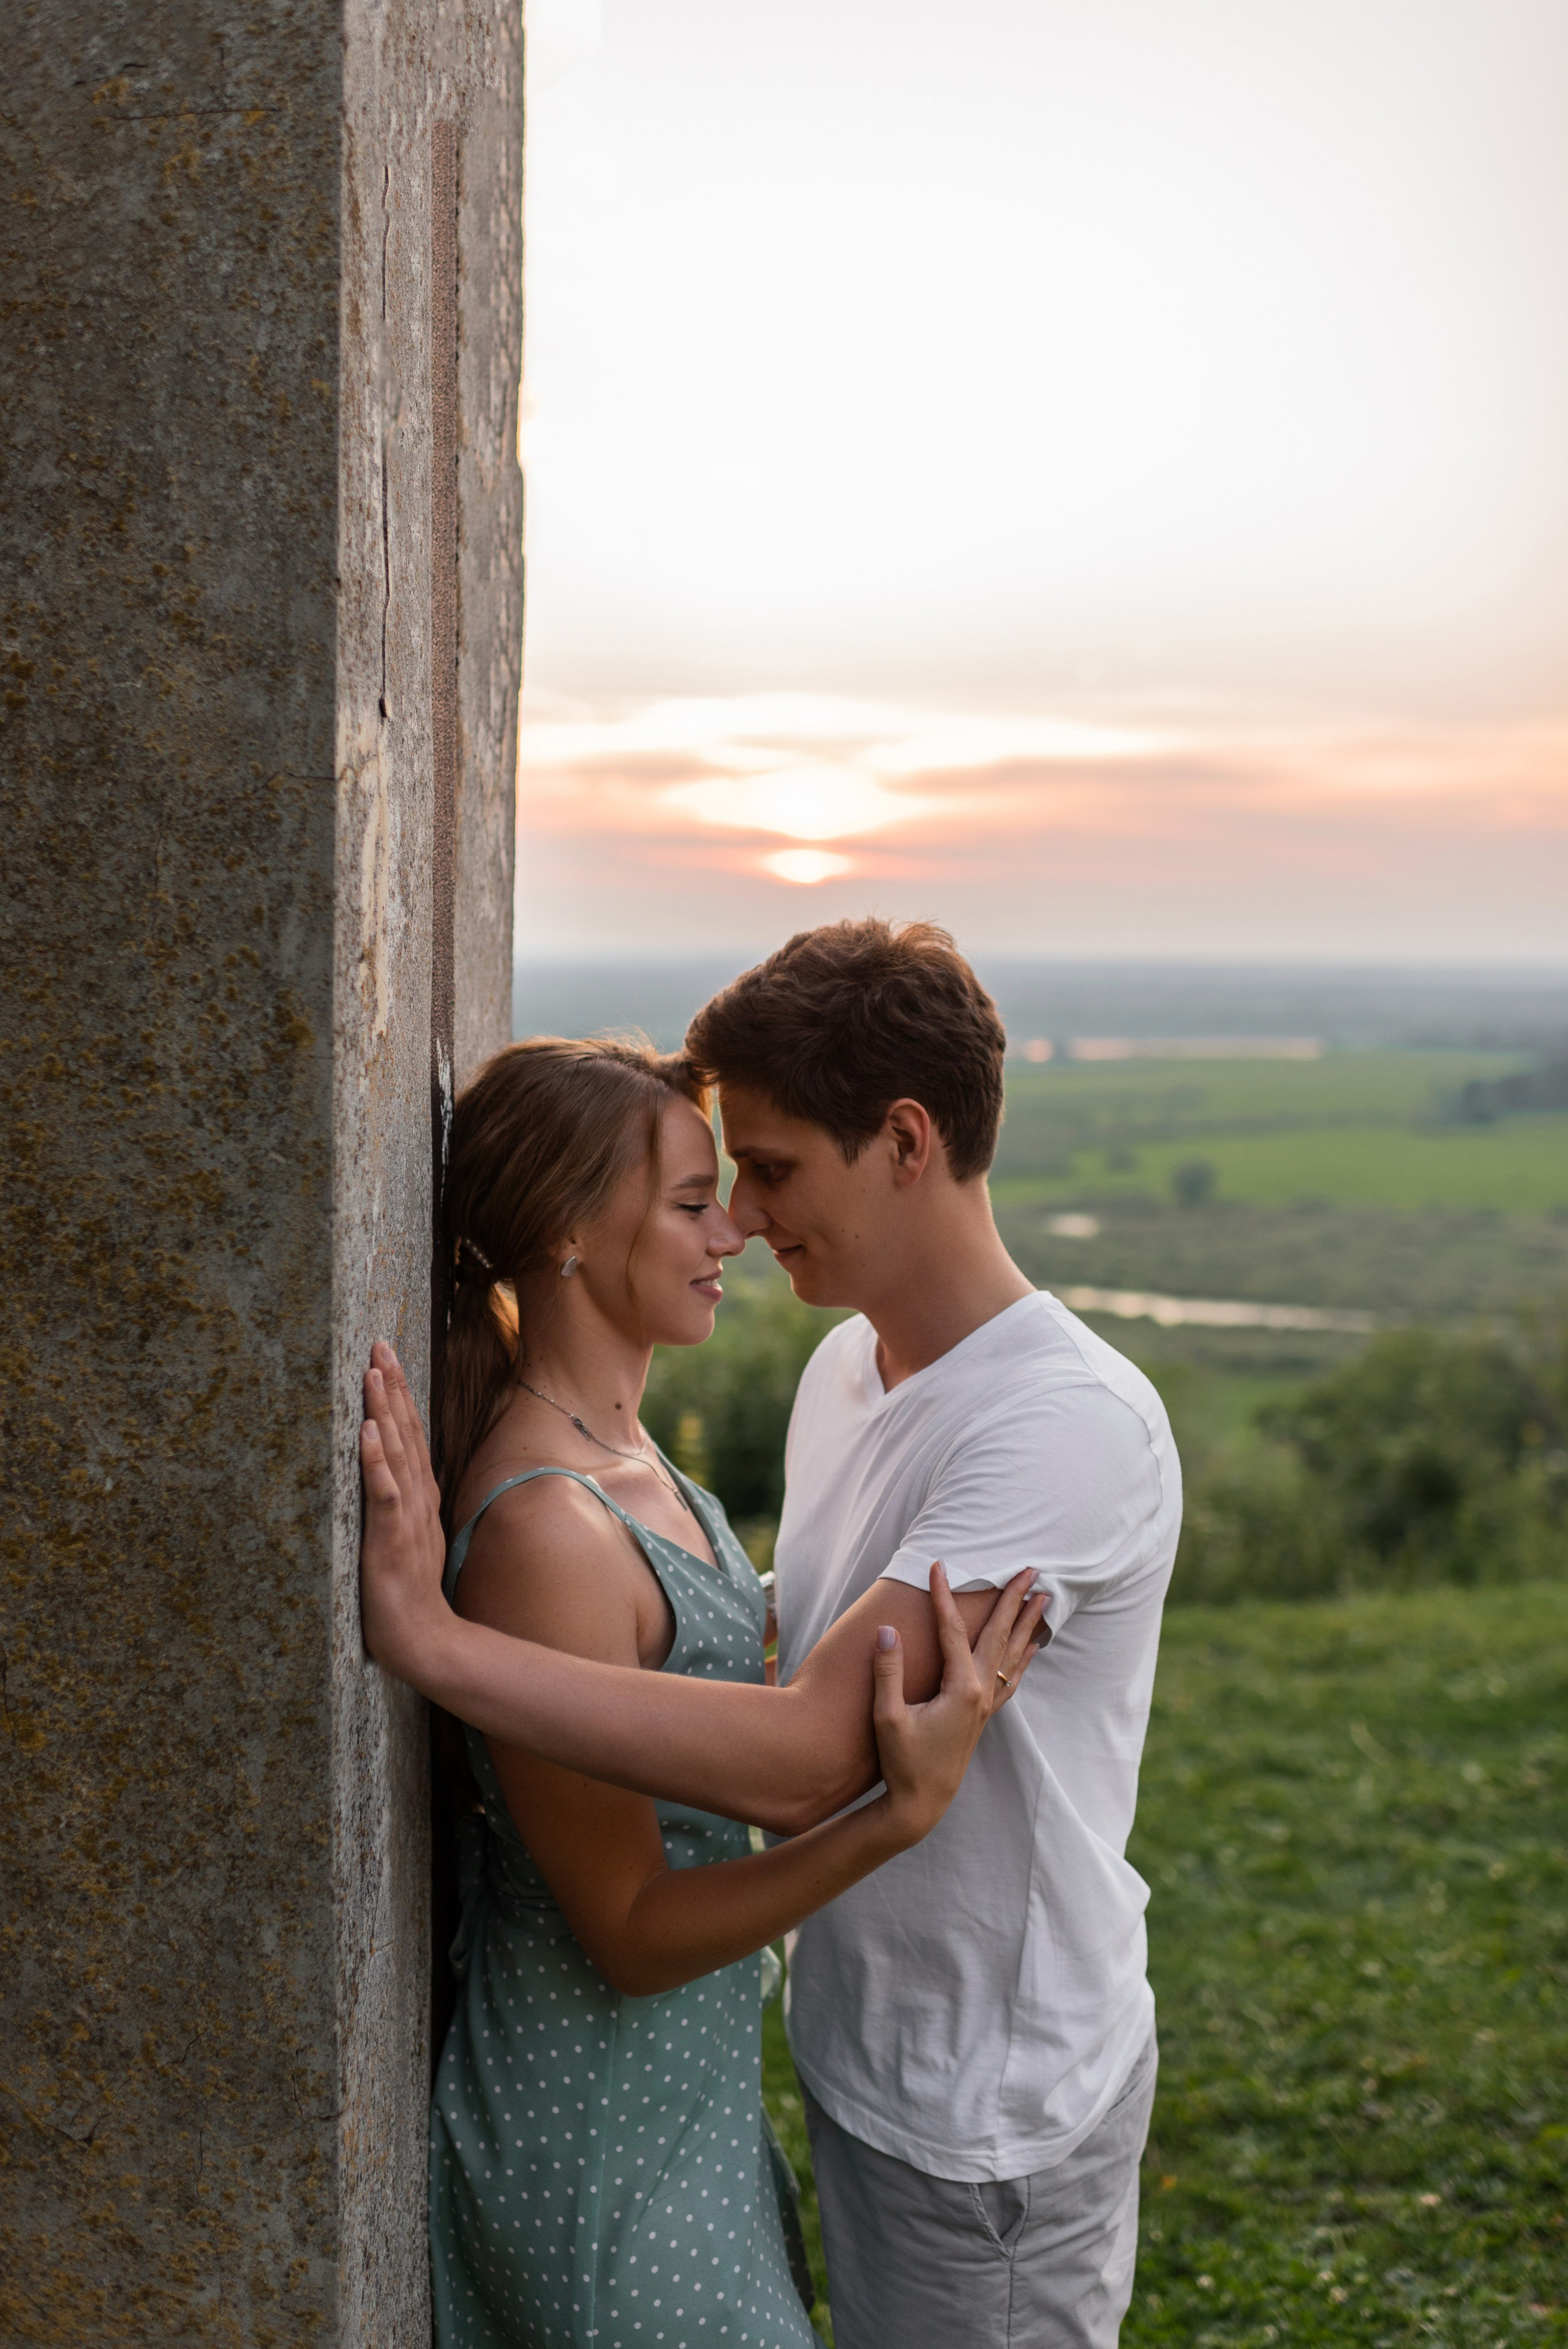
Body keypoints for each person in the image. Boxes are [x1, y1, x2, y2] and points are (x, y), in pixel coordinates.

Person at [390, 1035, 1048, 2349]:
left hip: (677, 2126)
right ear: (568, 1232)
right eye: (693, 1203)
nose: (733, 1231)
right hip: (598, 2150)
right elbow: (632, 1931)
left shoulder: (628, 1459)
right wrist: (891, 1819)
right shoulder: (549, 1531)